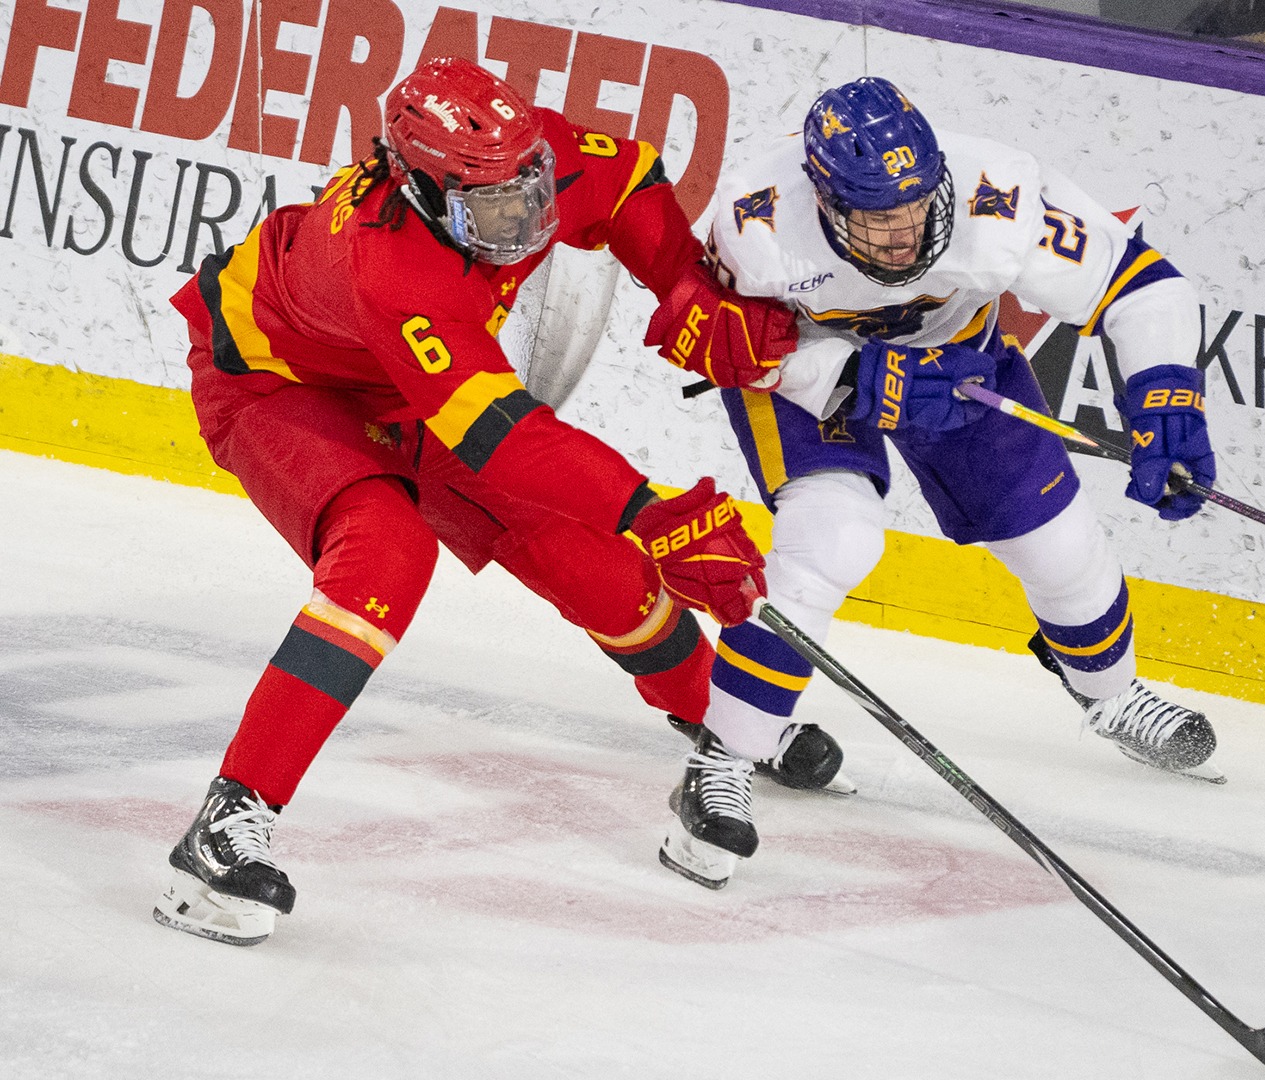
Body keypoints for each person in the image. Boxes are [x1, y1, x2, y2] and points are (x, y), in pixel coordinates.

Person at [154, 56, 797, 946]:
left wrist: (683, 282)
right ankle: (226, 825)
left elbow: (628, 180)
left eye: (530, 191)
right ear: (421, 191)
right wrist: (651, 510)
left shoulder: (519, 157)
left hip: (408, 388)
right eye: (492, 208)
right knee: (385, 558)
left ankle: (727, 725)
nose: (524, 220)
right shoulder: (391, 267)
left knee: (598, 569)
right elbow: (502, 438)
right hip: (275, 384)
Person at [657, 76, 1221, 890]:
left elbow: (1142, 286)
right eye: (878, 216)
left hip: (961, 366)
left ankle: (1111, 693)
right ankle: (722, 762)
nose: (904, 231)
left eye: (918, 205)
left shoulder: (999, 195)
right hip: (806, 381)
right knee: (833, 539)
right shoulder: (758, 222)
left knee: (1060, 546)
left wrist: (1167, 396)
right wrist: (845, 377)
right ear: (825, 200)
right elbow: (702, 335)